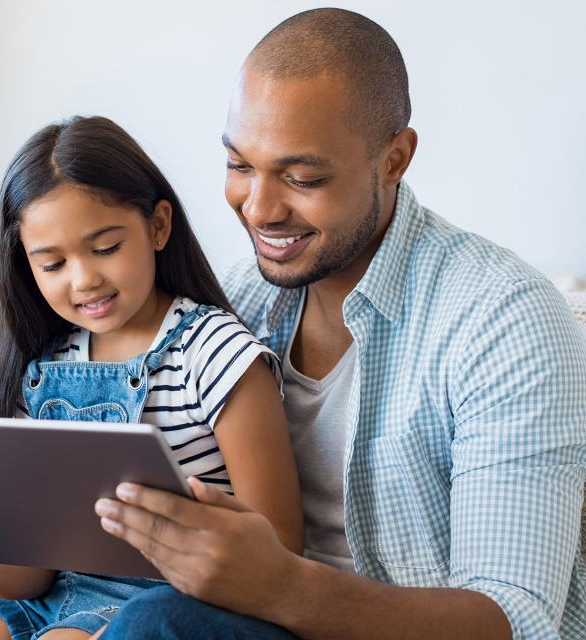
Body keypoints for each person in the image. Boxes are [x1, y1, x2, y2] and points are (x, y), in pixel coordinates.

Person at [91, 7, 586, 640]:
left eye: (302, 177)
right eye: (240, 166)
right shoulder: (233, 304)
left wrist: (283, 587)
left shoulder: (502, 319)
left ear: (394, 160)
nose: (260, 209)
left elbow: (517, 619)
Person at [0, 115, 303, 640]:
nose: (84, 279)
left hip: (175, 601)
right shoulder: (44, 367)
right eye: (53, 264)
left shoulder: (215, 353)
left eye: (105, 248)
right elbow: (34, 576)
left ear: (157, 226)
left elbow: (282, 549)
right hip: (56, 597)